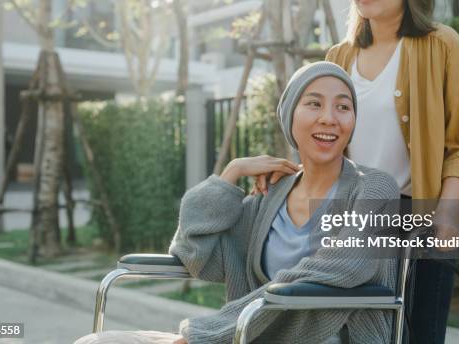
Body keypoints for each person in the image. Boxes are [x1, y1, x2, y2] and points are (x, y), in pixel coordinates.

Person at [74, 61, 400, 344]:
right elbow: (196, 256)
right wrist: (231, 174)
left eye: (343, 107)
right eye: (314, 104)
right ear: (290, 118)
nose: (330, 118)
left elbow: (344, 267)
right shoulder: (269, 198)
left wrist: (213, 333)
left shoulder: (375, 189)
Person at [322, 1, 459, 343]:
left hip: (421, 218)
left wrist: (446, 217)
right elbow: (322, 145)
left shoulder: (444, 45)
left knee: (418, 336)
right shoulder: (337, 58)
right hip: (354, 220)